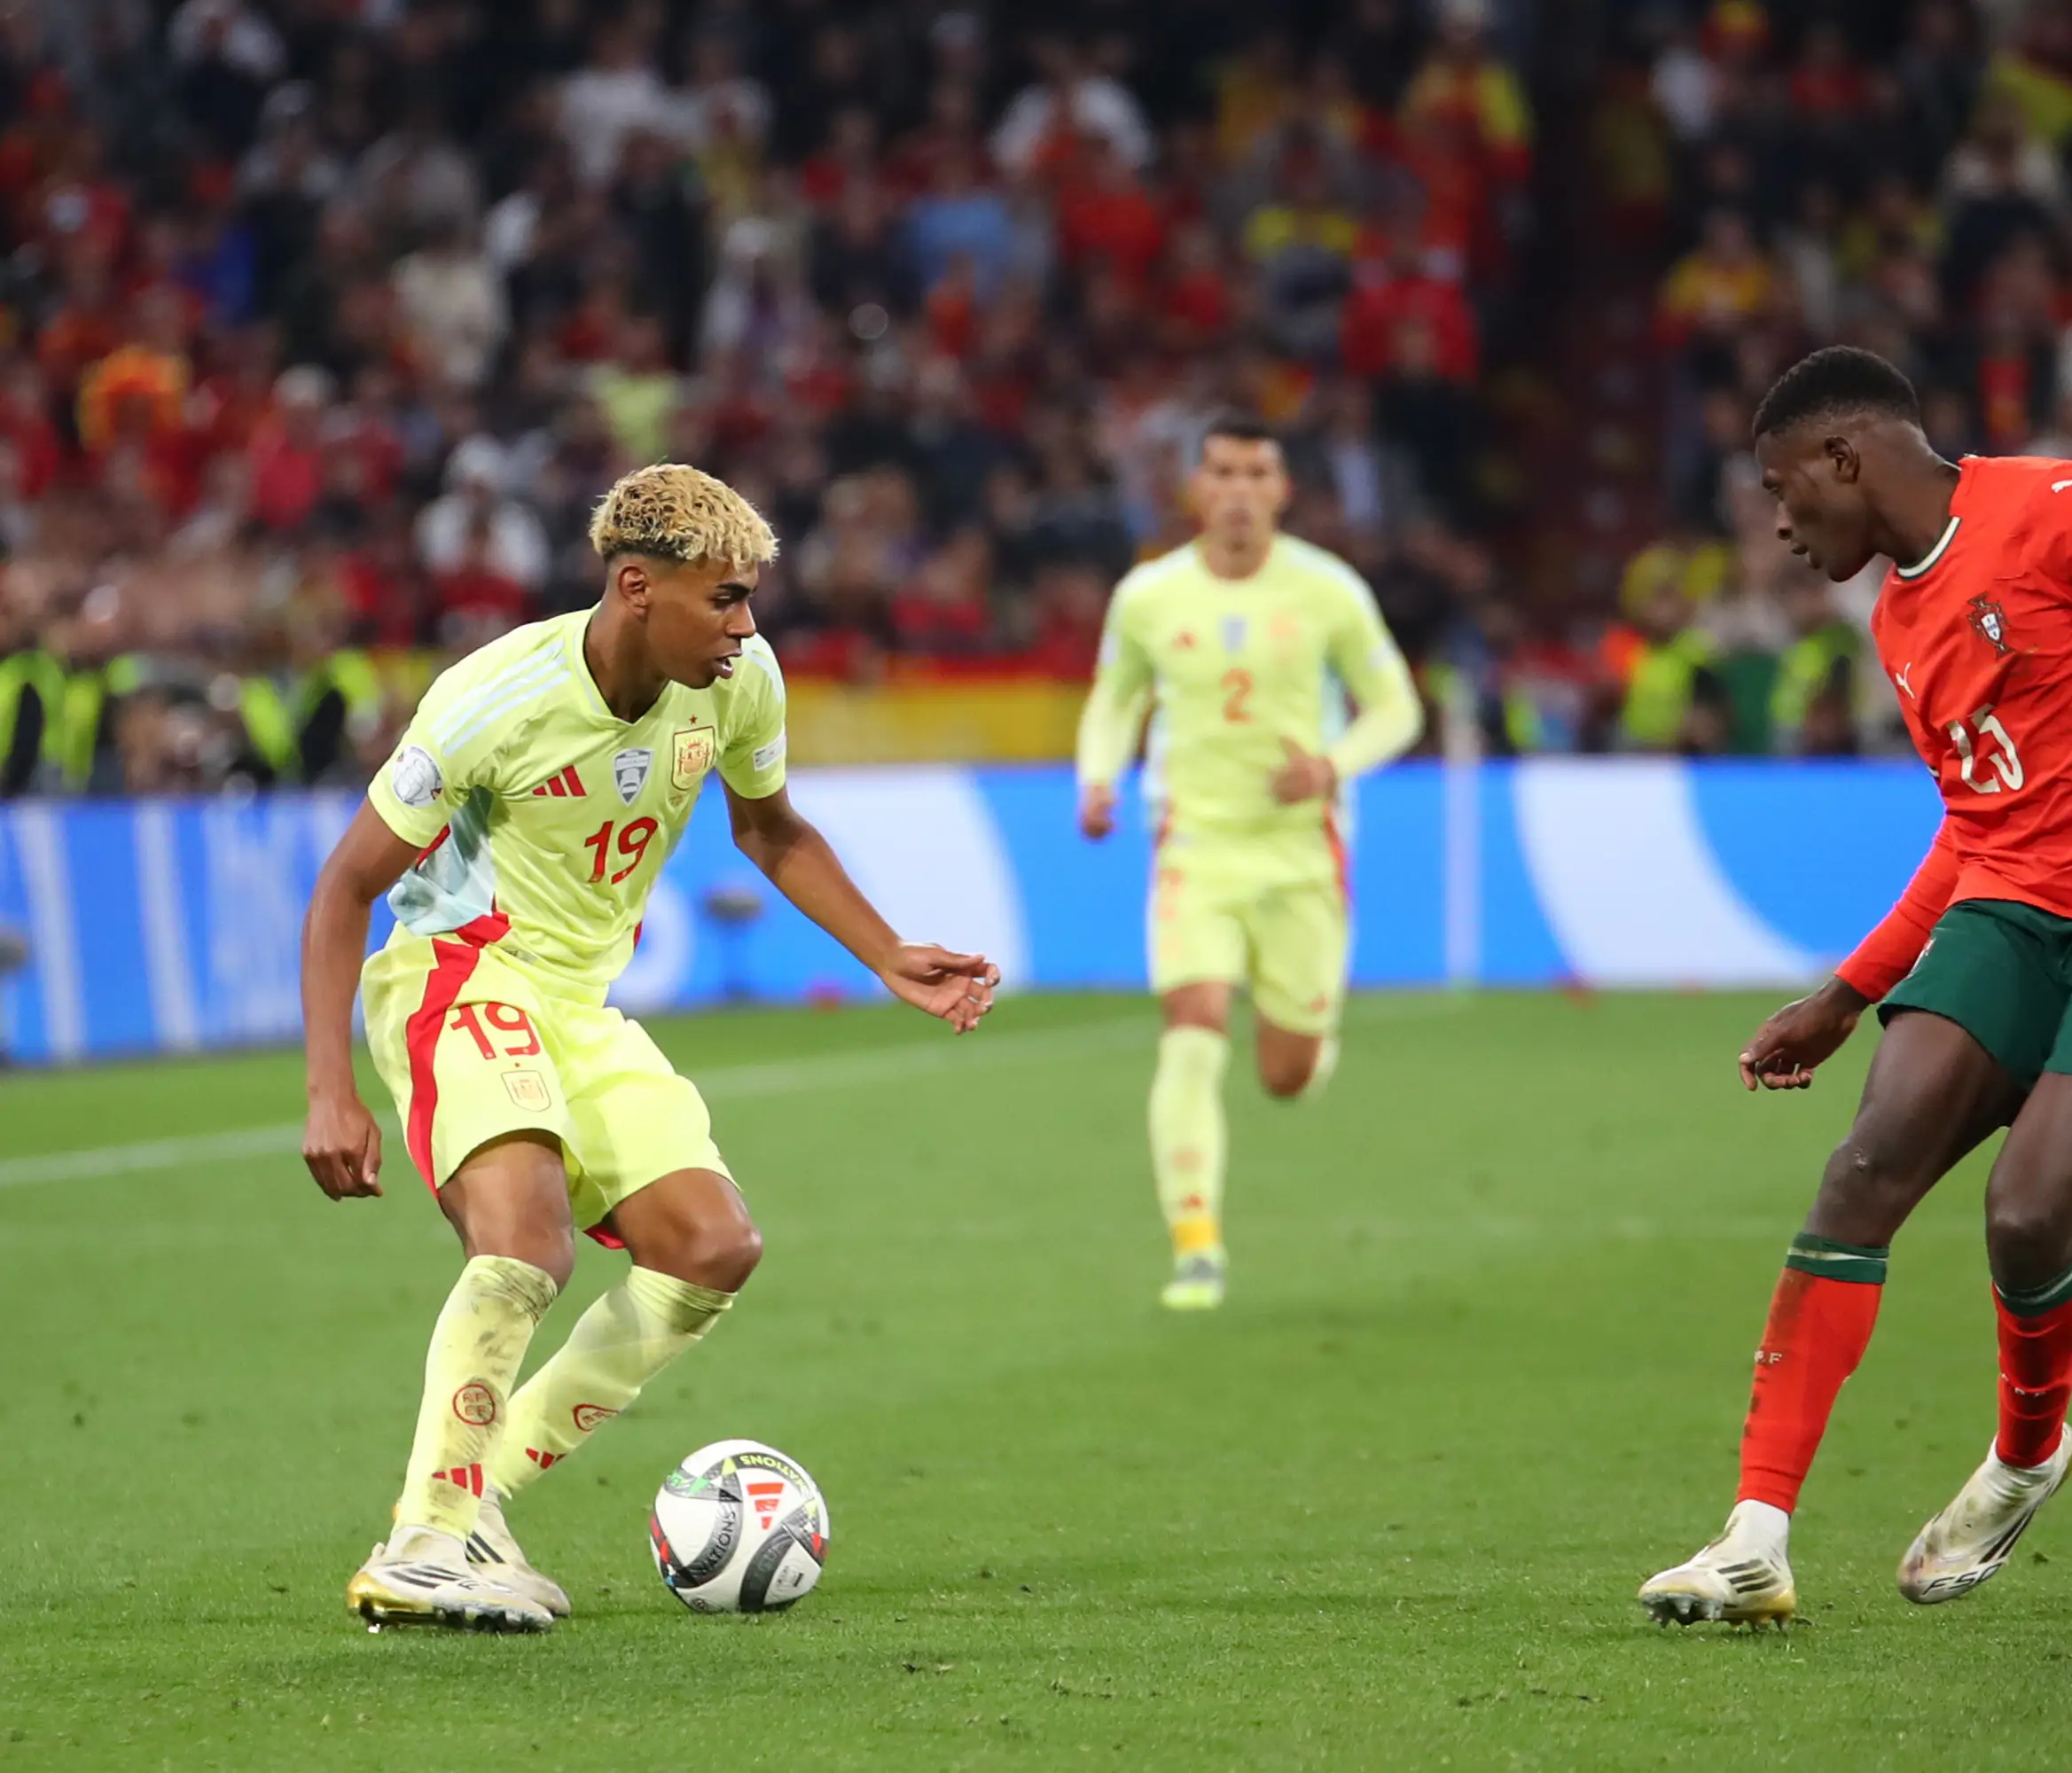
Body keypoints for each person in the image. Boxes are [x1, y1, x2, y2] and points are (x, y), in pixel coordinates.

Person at [1638, 348, 2072, 1627]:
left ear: (1847, 456)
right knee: (1864, 1168)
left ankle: (2026, 1453)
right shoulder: (1901, 615)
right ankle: (1753, 1539)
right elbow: (1973, 823)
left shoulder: (2068, 509)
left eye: (1786, 490)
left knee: (2025, 1218)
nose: (1780, 525)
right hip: (2016, 906)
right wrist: (1849, 993)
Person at [299, 465, 1000, 1632]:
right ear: (637, 589)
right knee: (524, 1239)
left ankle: (476, 1505)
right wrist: (330, 1090)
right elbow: (344, 889)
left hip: (581, 1004)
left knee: (712, 1247)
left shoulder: (740, 684)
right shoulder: (493, 698)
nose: (747, 626)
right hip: (459, 976)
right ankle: (422, 1541)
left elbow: (771, 830)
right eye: (724, 600)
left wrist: (885, 954)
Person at [1074, 415, 1422, 1309]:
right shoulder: (1149, 595)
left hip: (1302, 851)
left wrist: (1331, 765)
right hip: (1195, 842)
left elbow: (1397, 708)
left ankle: (1311, 1033)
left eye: (1255, 472)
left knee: (1286, 1074)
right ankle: (1196, 1245)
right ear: (1195, 487)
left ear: (1282, 488)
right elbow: (1113, 700)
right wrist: (1099, 776)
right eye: (1221, 471)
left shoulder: (1328, 590)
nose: (1237, 489)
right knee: (1191, 1025)